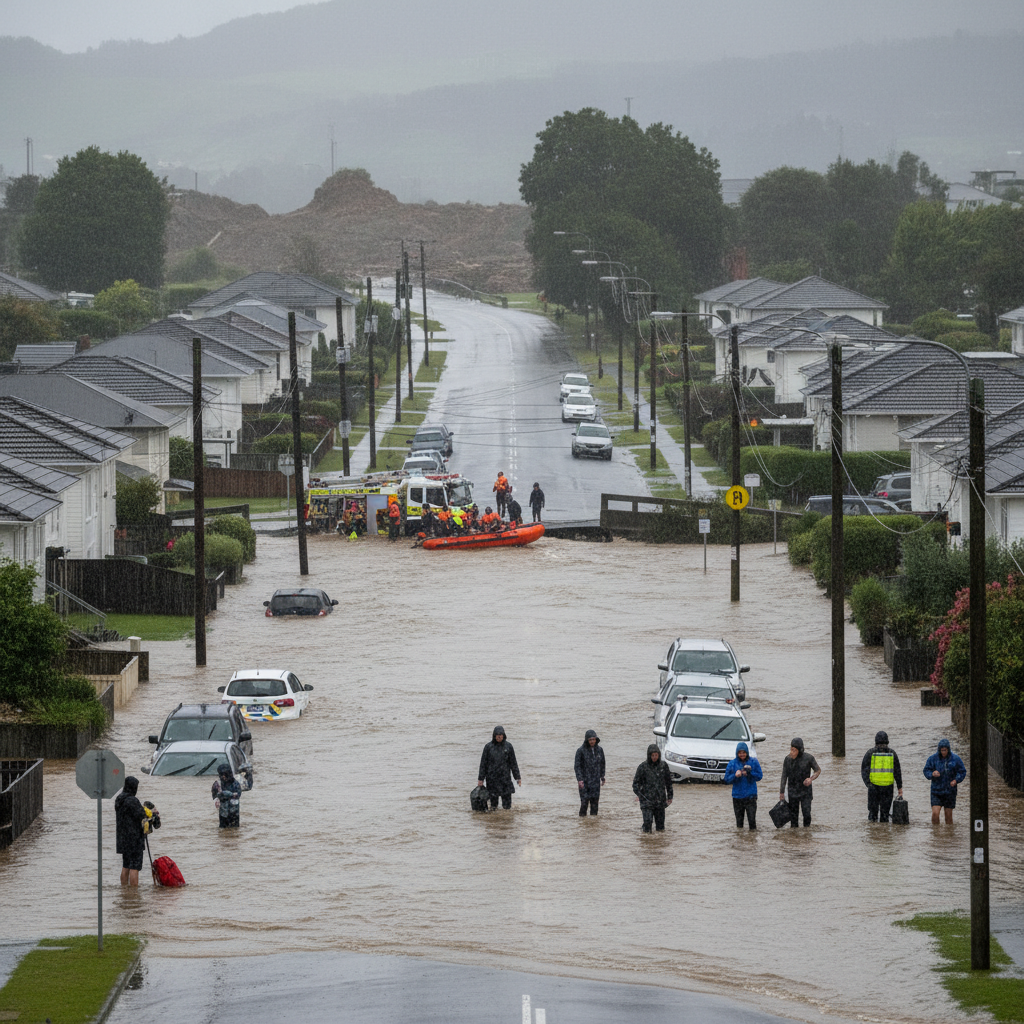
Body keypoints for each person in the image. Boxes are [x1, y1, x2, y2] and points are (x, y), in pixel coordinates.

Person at [860, 730, 903, 823]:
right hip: (887, 788)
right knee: (885, 815)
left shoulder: (870, 753)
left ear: (876, 741)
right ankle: (884, 835)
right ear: (887, 741)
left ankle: (874, 834)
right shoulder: (892, 753)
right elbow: (897, 772)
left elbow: (864, 771)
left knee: (872, 816)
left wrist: (869, 784)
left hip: (873, 788)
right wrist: (900, 788)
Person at [779, 737, 820, 828]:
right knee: (793, 818)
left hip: (806, 791)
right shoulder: (787, 759)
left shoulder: (809, 758)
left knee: (806, 814)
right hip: (792, 791)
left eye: (794, 750)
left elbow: (818, 770)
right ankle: (795, 838)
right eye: (791, 749)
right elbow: (784, 776)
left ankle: (806, 836)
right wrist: (781, 792)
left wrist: (811, 778)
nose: (792, 752)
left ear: (800, 750)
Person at [477, 726, 522, 810]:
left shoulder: (508, 747)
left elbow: (513, 763)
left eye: (500, 734)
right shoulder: (488, 747)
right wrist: (480, 779)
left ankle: (506, 821)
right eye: (497, 734)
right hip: (492, 780)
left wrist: (517, 777)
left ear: (504, 735)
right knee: (493, 807)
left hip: (505, 780)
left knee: (507, 807)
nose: (499, 736)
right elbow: (483, 764)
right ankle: (494, 821)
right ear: (494, 735)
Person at [924, 737, 967, 824]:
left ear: (948, 750)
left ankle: (949, 835)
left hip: (950, 791)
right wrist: (932, 774)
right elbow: (926, 770)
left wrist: (956, 780)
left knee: (948, 816)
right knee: (935, 814)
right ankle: (936, 834)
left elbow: (962, 771)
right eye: (942, 750)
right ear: (939, 750)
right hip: (936, 791)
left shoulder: (955, 759)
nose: (943, 752)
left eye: (945, 750)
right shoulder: (932, 759)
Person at [632, 743, 673, 832]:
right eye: (652, 755)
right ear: (649, 755)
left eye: (656, 755)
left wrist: (670, 797)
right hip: (646, 801)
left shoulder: (663, 766)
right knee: (647, 824)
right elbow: (635, 784)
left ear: (659, 755)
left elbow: (668, 782)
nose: (654, 757)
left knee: (660, 828)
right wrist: (640, 795)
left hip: (660, 801)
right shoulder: (642, 767)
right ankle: (646, 842)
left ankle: (659, 844)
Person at [115, 776, 147, 886]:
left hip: (122, 838)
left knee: (126, 865)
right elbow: (142, 815)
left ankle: (124, 890)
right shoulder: (132, 800)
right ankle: (134, 893)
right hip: (134, 839)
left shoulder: (119, 799)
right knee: (135, 867)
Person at [724, 741, 762, 829]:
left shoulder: (754, 761)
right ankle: (740, 841)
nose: (742, 754)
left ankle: (752, 841)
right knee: (739, 824)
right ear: (737, 753)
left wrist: (749, 773)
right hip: (737, 798)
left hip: (751, 797)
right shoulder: (732, 763)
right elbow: (726, 780)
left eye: (744, 752)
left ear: (747, 752)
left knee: (752, 822)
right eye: (740, 753)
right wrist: (735, 776)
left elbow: (759, 776)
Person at [574, 729, 606, 816]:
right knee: (584, 804)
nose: (592, 741)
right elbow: (577, 767)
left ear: (596, 740)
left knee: (595, 805)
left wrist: (602, 776)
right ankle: (582, 824)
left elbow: (602, 764)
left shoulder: (600, 750)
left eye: (593, 739)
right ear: (587, 740)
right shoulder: (580, 751)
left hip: (595, 781)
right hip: (584, 782)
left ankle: (593, 826)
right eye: (590, 740)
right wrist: (579, 779)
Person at [212, 762, 243, 828]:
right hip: (223, 812)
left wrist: (225, 794)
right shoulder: (217, 784)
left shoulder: (235, 784)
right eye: (221, 774)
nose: (223, 776)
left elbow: (238, 795)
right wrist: (216, 799)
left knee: (235, 830)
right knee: (222, 830)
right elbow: (214, 795)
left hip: (234, 812)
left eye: (225, 774)